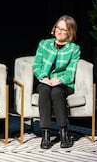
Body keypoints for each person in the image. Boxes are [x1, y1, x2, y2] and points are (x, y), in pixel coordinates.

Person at [32, 15, 80, 149]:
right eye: (58, 28)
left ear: (70, 32)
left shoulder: (73, 49)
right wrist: (44, 77)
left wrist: (59, 80)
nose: (59, 31)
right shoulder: (44, 44)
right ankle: (45, 135)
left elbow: (70, 73)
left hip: (63, 83)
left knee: (57, 92)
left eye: (63, 30)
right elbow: (36, 65)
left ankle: (64, 133)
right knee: (45, 90)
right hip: (45, 81)